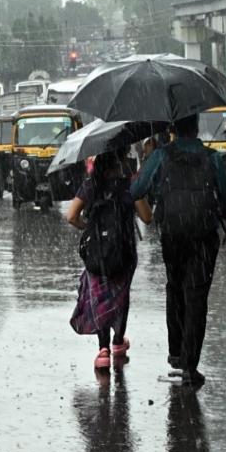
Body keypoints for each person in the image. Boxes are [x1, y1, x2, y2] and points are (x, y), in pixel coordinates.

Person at [131, 114, 226, 386]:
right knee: (197, 297)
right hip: (204, 236)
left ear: (173, 129)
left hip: (172, 235)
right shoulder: (212, 157)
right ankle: (191, 366)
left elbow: (137, 190)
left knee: (175, 288)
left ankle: (176, 352)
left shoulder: (161, 156)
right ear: (196, 127)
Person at [66, 149, 152, 370]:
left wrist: (89, 229)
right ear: (118, 166)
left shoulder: (89, 186)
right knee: (120, 297)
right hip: (124, 252)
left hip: (97, 253)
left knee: (100, 295)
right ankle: (118, 341)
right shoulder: (128, 186)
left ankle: (102, 348)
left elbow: (71, 216)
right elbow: (147, 217)